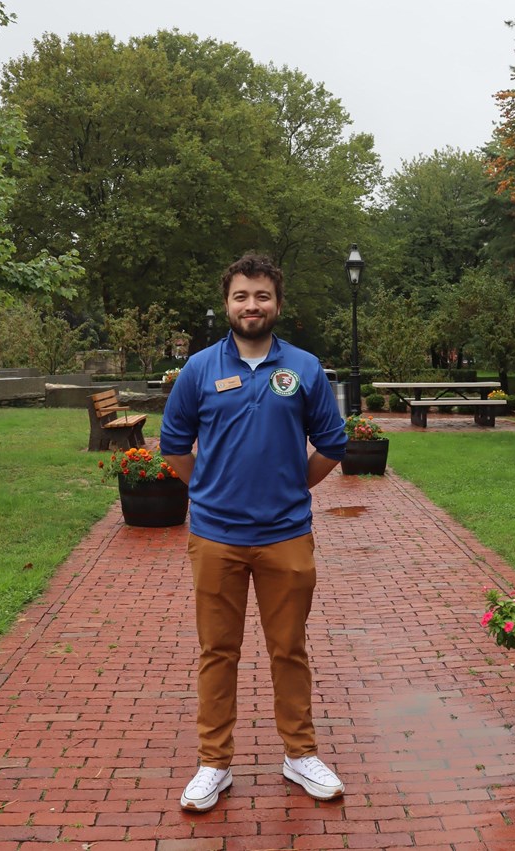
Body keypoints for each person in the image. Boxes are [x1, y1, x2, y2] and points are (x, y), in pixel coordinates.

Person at [160, 253, 347, 812]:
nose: (252, 306)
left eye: (262, 296)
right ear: (227, 302)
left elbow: (332, 444)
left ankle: (299, 754)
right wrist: (209, 491)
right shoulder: (198, 369)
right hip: (216, 536)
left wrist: (293, 487)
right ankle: (214, 764)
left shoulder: (306, 369)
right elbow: (173, 446)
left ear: (278, 304)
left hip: (286, 534)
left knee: (289, 649)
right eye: (242, 296)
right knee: (218, 651)